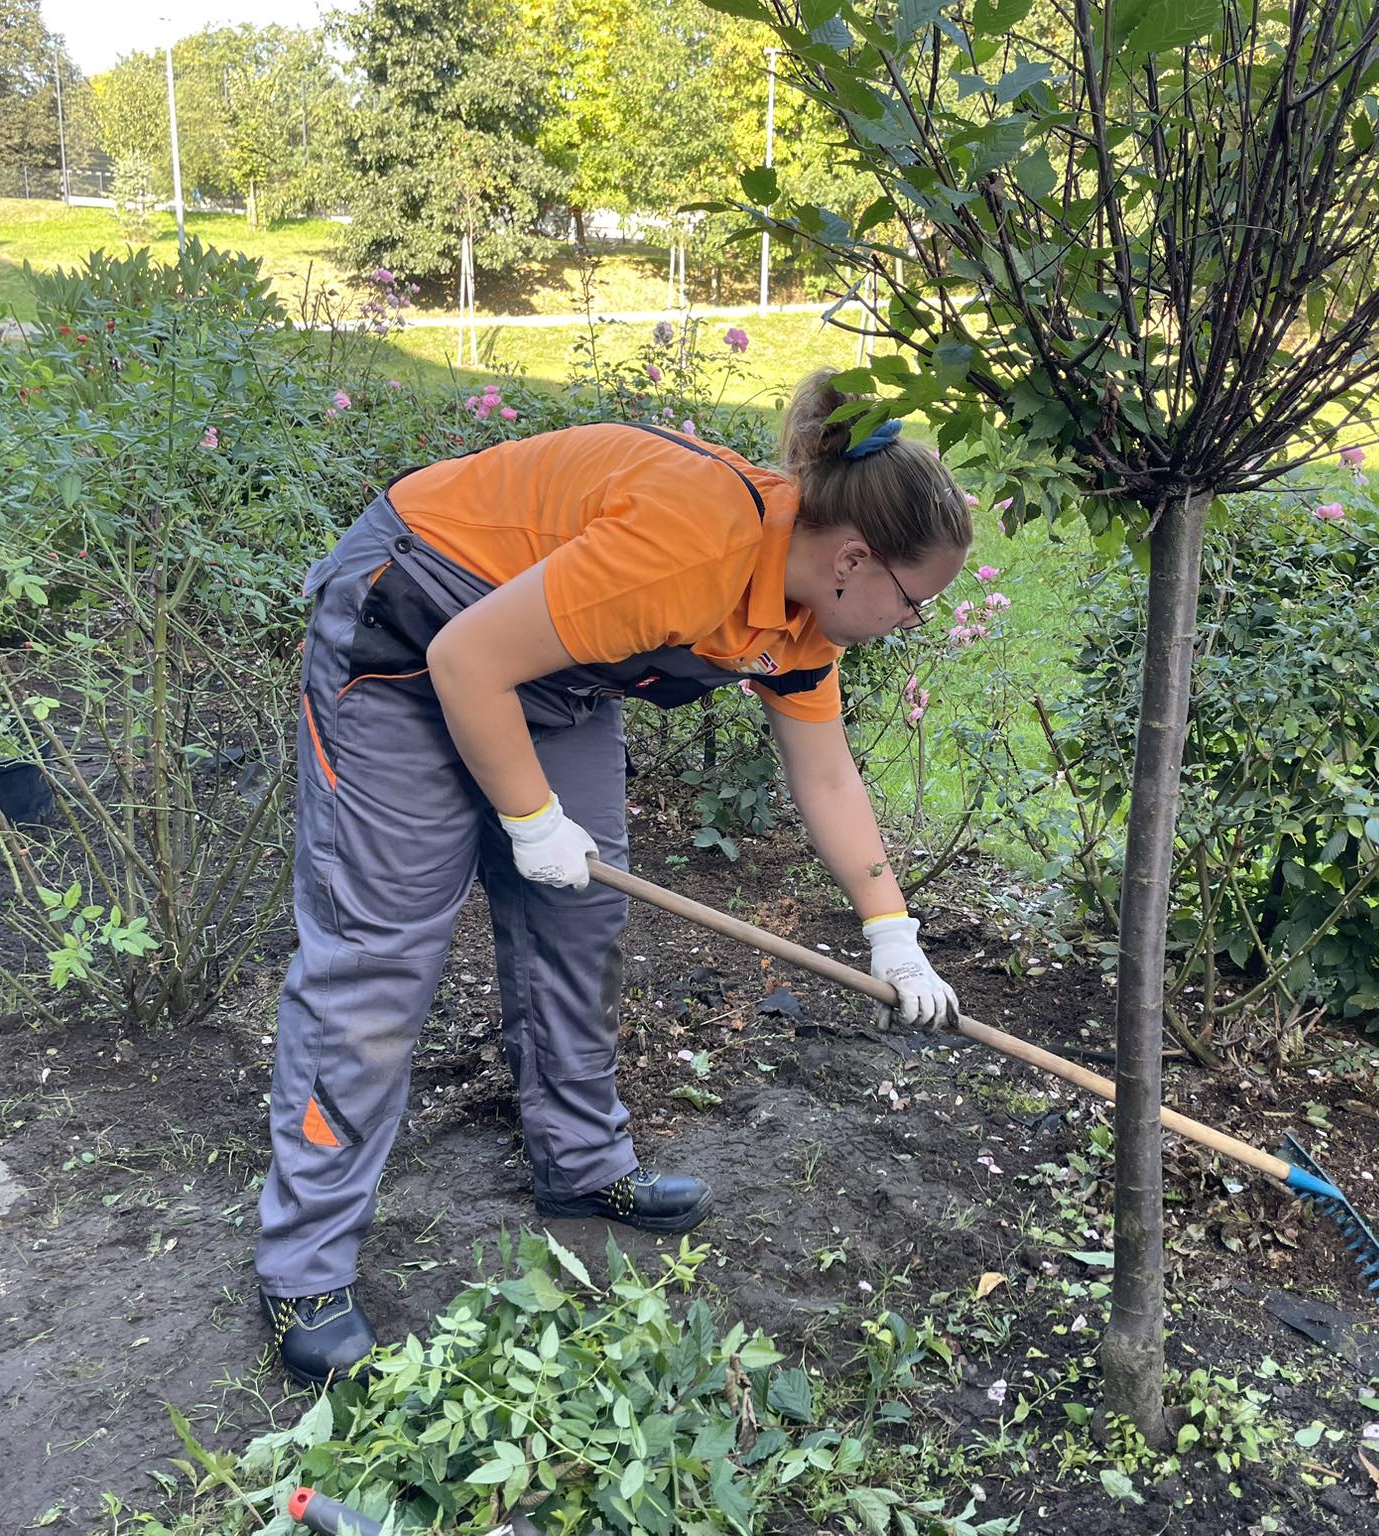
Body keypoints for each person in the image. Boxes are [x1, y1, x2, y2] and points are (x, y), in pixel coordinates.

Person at [256, 369, 974, 1387]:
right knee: (380, 958)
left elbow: (825, 777)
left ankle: (581, 1166)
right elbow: (466, 661)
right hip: (411, 633)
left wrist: (890, 932)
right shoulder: (695, 544)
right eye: (915, 602)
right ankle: (304, 1268)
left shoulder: (803, 618)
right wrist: (529, 818)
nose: (913, 622)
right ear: (853, 558)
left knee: (581, 916)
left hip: (546, 669)